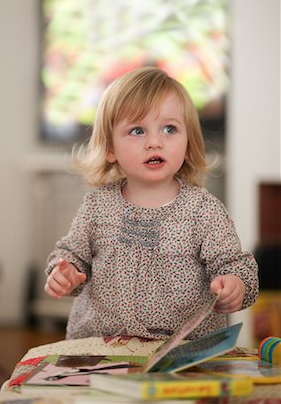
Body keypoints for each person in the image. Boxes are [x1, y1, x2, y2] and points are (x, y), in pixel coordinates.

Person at [44, 66, 258, 340]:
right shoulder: (98, 206)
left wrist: (235, 284)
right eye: (137, 131)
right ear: (110, 148)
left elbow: (234, 264)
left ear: (189, 143)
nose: (155, 142)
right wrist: (66, 273)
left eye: (170, 129)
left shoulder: (203, 210)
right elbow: (72, 254)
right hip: (100, 347)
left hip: (181, 350)